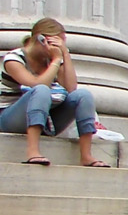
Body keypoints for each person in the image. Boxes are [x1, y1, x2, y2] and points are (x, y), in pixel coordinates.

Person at [0, 17, 107, 167]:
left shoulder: (51, 59)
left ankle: (86, 155)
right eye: (54, 43)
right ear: (40, 39)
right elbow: (37, 85)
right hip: (9, 118)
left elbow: (71, 88)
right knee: (41, 90)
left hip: (46, 119)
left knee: (83, 95)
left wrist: (64, 55)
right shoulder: (14, 59)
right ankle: (33, 151)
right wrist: (56, 61)